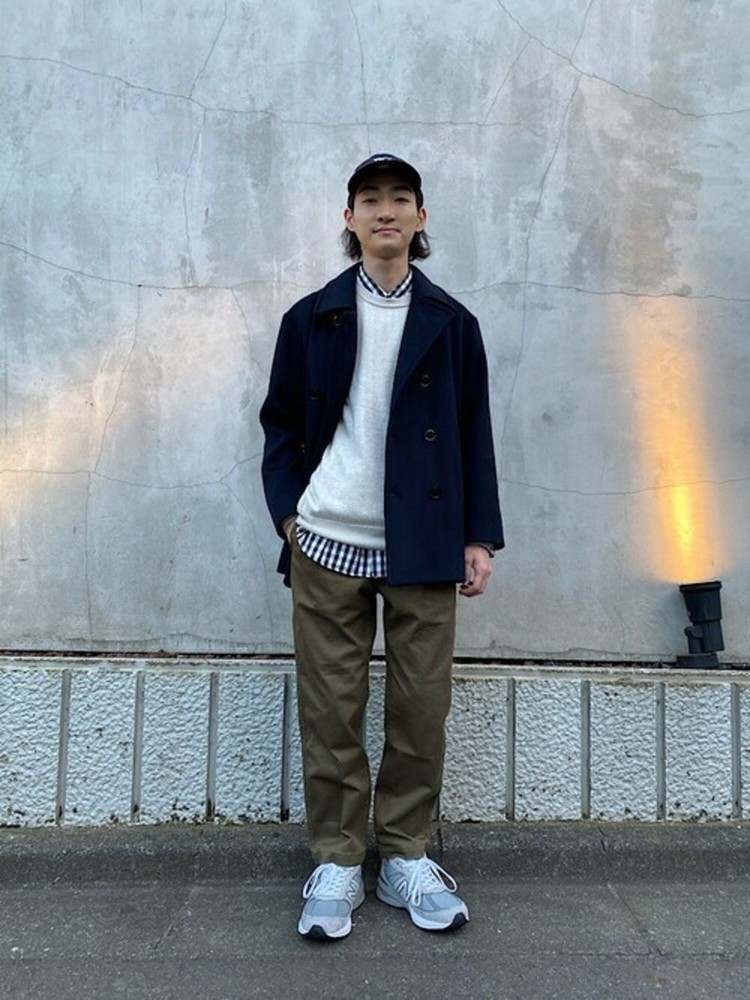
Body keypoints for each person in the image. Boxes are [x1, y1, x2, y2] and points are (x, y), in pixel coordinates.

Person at [260, 153, 503, 941]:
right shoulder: (311, 318)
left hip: (423, 544)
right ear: (350, 218)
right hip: (327, 540)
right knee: (331, 709)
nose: (386, 211)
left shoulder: (452, 324)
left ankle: (403, 856)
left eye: (401, 198)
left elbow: (473, 432)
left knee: (421, 708)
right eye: (371, 199)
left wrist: (478, 536)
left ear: (421, 218)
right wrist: (290, 519)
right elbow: (280, 427)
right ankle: (336, 859)